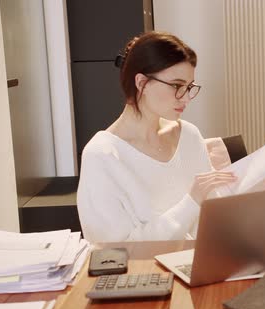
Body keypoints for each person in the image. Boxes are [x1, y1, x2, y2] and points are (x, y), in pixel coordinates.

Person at [77, 31, 237, 243]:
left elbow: (216, 221)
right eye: (177, 86)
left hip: (202, 266)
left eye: (189, 87)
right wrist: (191, 201)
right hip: (144, 274)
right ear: (142, 82)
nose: (186, 97)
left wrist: (263, 195)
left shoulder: (188, 135)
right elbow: (114, 251)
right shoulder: (102, 155)